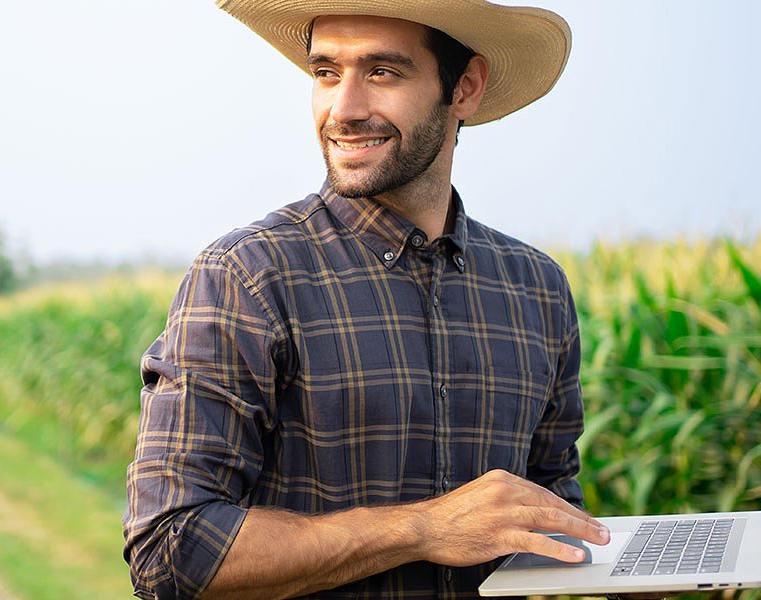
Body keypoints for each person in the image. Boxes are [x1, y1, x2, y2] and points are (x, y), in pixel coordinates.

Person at [124, 1, 610, 598]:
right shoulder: (248, 277)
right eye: (326, 73)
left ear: (465, 87)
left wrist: (624, 571)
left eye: (382, 72)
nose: (344, 109)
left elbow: (549, 506)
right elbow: (169, 553)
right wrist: (421, 529)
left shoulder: (535, 288)